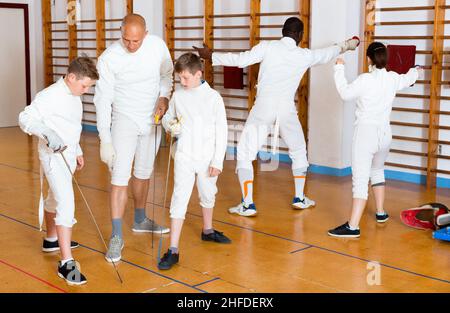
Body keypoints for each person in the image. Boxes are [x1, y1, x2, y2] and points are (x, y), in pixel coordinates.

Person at [194, 17, 359, 216]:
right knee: (298, 150)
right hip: (286, 109)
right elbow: (328, 53)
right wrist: (349, 44)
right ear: (300, 35)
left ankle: (247, 204)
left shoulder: (268, 47)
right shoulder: (304, 55)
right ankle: (299, 198)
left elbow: (240, 61)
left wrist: (211, 55)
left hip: (264, 106)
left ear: (283, 31)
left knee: (246, 153)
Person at [94, 13, 174, 263]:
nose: (130, 45)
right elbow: (102, 101)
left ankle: (140, 219)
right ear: (121, 33)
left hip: (152, 119)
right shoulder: (109, 58)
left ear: (145, 35)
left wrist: (164, 97)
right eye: (126, 39)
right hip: (124, 119)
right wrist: (105, 139)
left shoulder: (158, 46)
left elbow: (166, 76)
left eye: (136, 41)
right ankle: (116, 236)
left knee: (143, 173)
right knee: (119, 178)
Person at [18, 56, 98, 285]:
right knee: (66, 202)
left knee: (56, 197)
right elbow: (25, 118)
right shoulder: (49, 96)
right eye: (84, 85)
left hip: (70, 154)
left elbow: (71, 124)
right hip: (53, 157)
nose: (86, 90)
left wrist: (78, 149)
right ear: (71, 77)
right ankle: (66, 264)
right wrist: (46, 133)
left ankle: (52, 238)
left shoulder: (74, 94)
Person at [328, 42, 421, 238]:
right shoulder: (393, 78)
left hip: (366, 135)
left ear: (369, 59)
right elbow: (410, 77)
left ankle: (353, 227)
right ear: (385, 58)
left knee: (360, 180)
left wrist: (338, 67)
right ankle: (380, 212)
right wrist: (416, 70)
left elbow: (345, 94)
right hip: (385, 135)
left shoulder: (365, 80)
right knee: (377, 170)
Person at [158, 53, 230, 270]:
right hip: (184, 155)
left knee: (208, 194)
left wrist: (218, 160)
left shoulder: (214, 98)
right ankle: (173, 249)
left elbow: (223, 130)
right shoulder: (179, 96)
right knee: (179, 197)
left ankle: (208, 230)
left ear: (199, 74)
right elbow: (167, 118)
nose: (182, 82)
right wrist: (170, 126)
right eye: (180, 78)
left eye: (186, 78)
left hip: (207, 157)